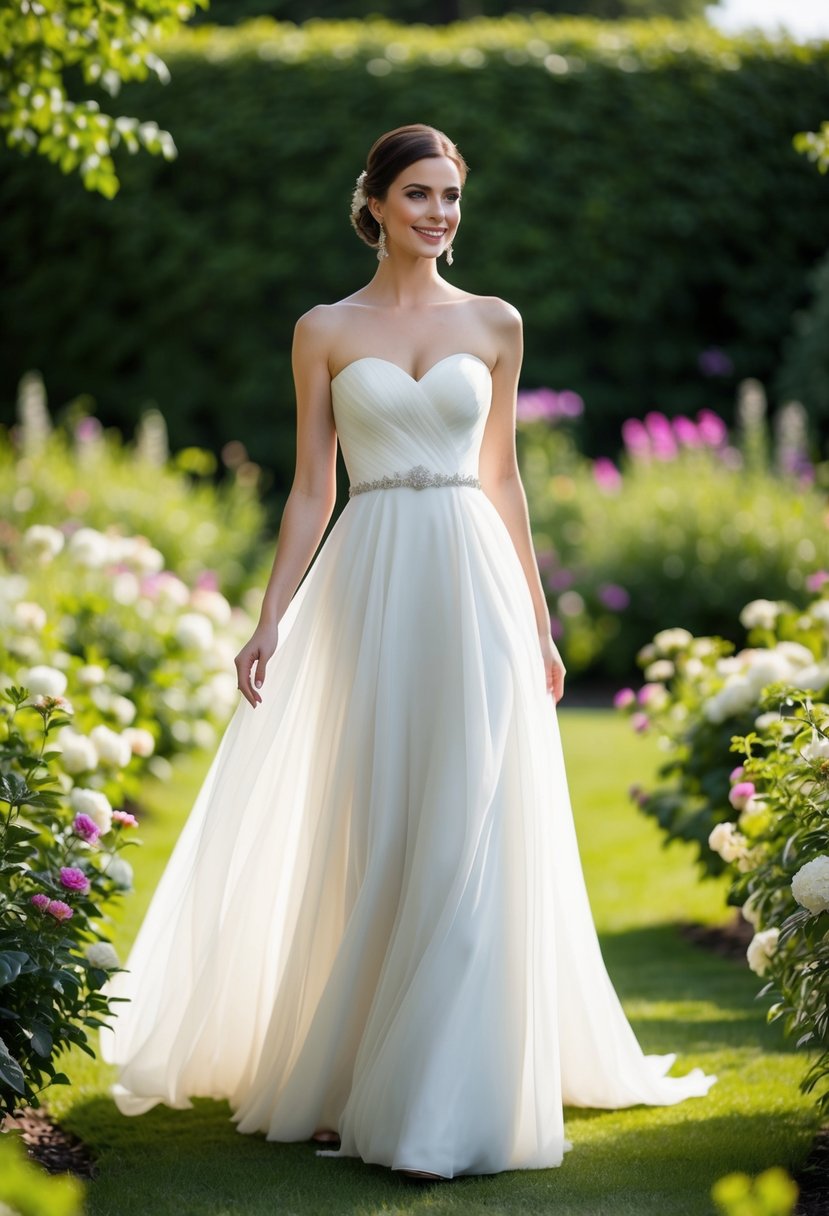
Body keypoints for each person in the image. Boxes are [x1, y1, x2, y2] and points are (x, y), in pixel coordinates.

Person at [99, 123, 717, 1182]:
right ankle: (350, 1075)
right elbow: (310, 489)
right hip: (370, 578)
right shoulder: (323, 330)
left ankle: (441, 1082)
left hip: (472, 578)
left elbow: (505, 477)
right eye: (420, 195)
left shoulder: (496, 322)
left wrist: (539, 618)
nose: (439, 214)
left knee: (470, 814)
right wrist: (268, 617)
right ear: (375, 203)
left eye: (452, 197)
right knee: (376, 814)